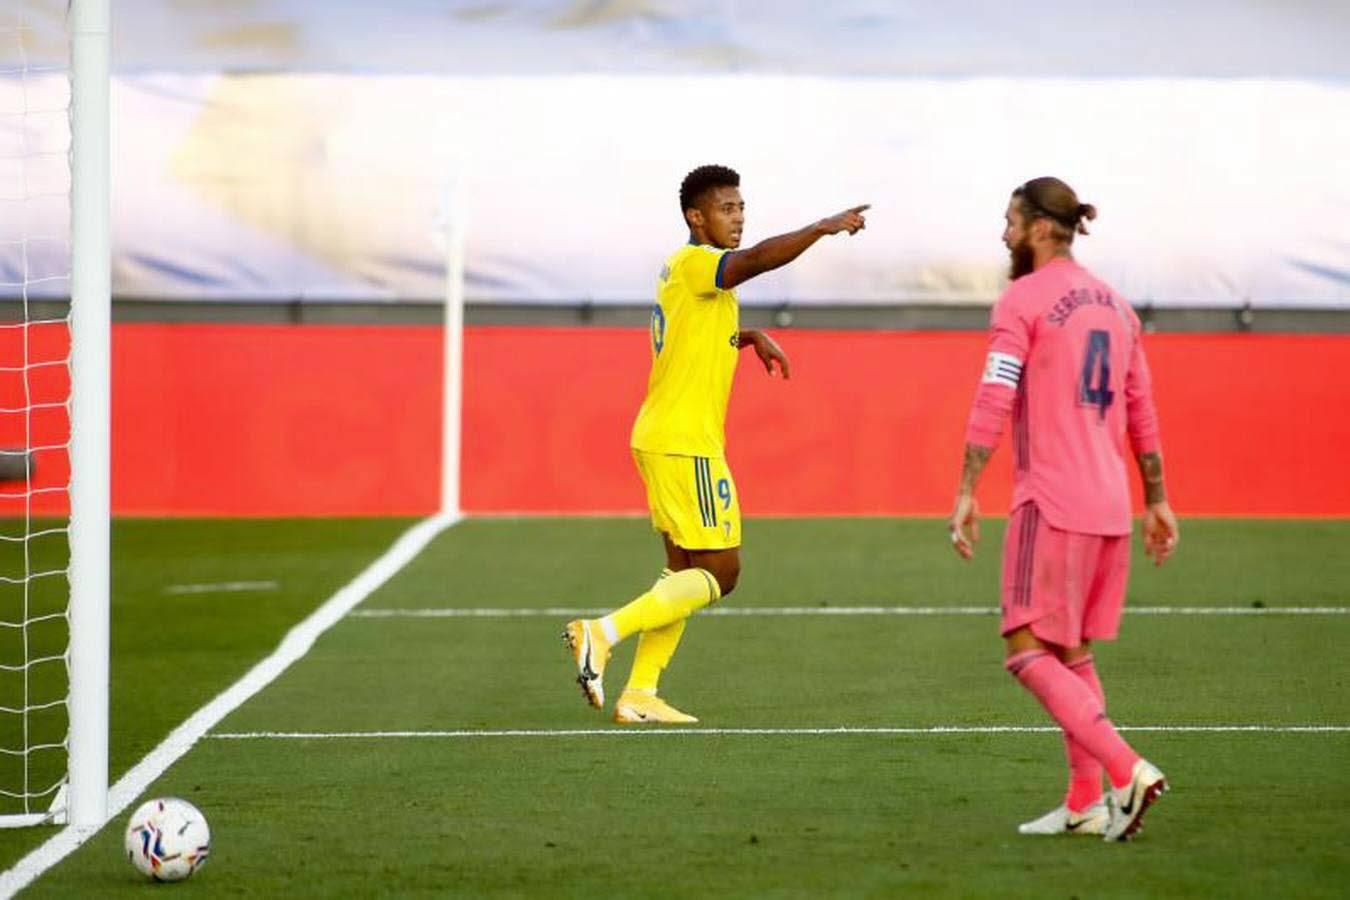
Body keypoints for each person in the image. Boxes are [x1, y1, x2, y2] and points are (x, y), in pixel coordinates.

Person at [563, 164, 868, 724]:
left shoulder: (689, 272)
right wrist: (821, 228)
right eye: (727, 209)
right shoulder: (700, 263)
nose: (739, 219)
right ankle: (600, 633)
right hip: (687, 444)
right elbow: (755, 261)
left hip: (663, 436)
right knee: (723, 574)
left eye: (742, 208)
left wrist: (748, 337)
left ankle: (640, 694)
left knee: (681, 572)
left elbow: (695, 333)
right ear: (694, 217)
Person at [948, 177, 1180, 841]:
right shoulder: (1117, 306)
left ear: (1042, 228)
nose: (1003, 234)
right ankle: (1085, 803)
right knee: (1072, 652)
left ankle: (1125, 768)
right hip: (1109, 505)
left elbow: (994, 394)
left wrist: (968, 487)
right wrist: (1157, 500)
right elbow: (1142, 409)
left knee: (1025, 648)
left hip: (1050, 502)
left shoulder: (1022, 299)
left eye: (1010, 221)